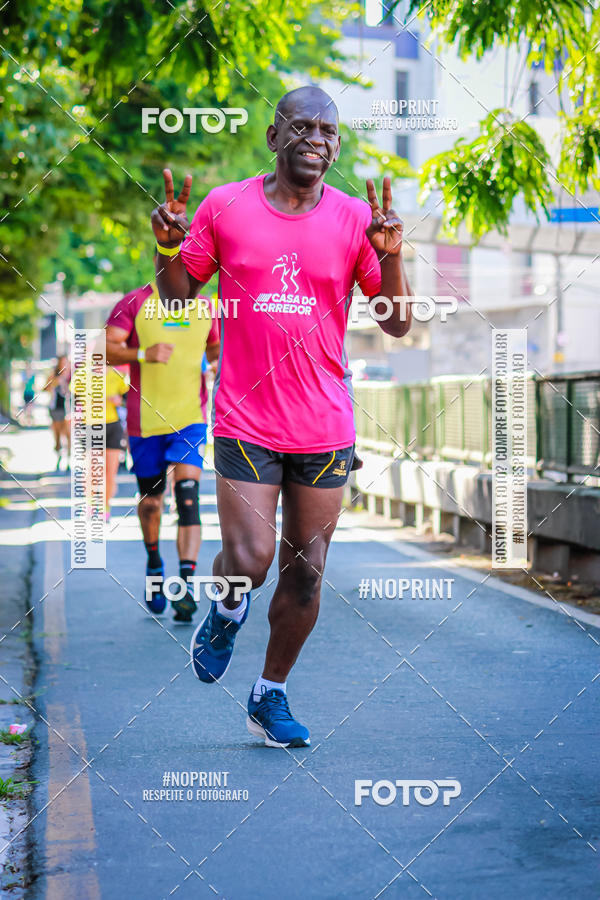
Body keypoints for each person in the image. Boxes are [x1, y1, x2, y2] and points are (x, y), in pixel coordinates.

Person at [151, 85, 413, 748]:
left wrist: (391, 256)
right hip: (245, 418)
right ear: (275, 137)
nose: (315, 141)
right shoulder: (227, 205)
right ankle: (228, 607)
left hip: (325, 426)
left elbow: (397, 323)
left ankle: (269, 694)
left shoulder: (356, 219)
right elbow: (181, 300)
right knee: (251, 557)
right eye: (301, 127)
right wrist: (167, 249)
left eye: (328, 132)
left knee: (307, 569)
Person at [105, 269, 219, 621]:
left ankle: (185, 585)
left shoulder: (206, 308)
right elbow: (105, 349)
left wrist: (214, 363)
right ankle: (155, 566)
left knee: (188, 499)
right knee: (152, 503)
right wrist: (142, 354)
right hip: (145, 423)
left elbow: (216, 346)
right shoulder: (134, 302)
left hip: (190, 420)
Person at [44, 355, 71, 470]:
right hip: (55, 409)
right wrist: (54, 382)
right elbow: (45, 388)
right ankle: (59, 459)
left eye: (66, 363)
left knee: (69, 435)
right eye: (62, 362)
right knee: (58, 435)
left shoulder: (73, 376)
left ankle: (69, 461)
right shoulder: (54, 376)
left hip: (69, 410)